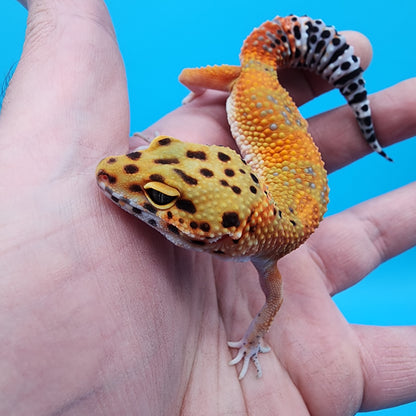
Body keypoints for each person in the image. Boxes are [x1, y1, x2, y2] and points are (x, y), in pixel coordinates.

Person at [1, 1, 415, 415]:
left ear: (224, 237)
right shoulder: (258, 240)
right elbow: (270, 298)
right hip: (267, 110)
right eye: (158, 147)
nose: (112, 169)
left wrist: (256, 340)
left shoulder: (267, 251)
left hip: (261, 100)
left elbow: (273, 303)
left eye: (159, 196)